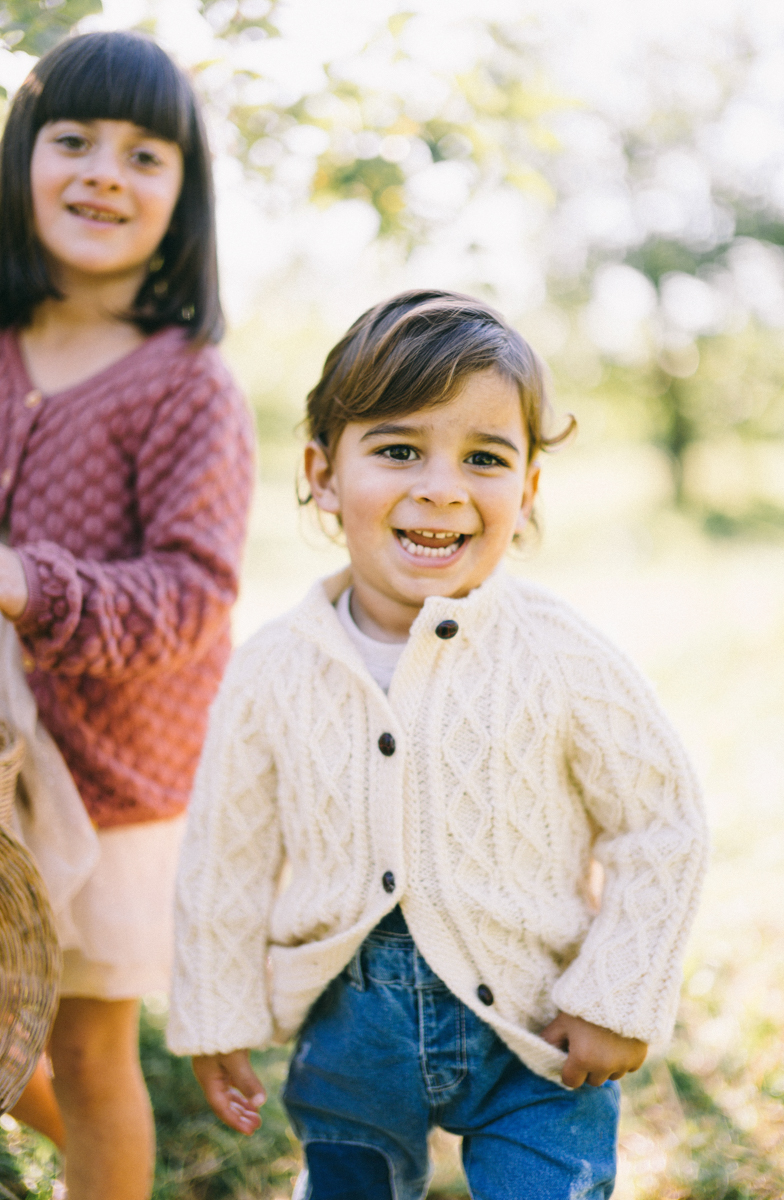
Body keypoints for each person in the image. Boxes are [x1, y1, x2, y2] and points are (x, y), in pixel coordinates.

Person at [168, 290, 707, 1200]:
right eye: (399, 449)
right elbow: (225, 854)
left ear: (527, 489)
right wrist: (215, 1013)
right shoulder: (273, 670)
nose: (442, 487)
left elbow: (663, 824)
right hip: (348, 1033)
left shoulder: (559, 653)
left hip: (538, 1039)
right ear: (324, 473)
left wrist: (616, 994)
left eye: (485, 458)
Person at [0, 31, 254, 1200]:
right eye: (74, 140)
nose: (106, 169)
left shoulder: (183, 381)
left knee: (90, 1049)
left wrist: (30, 585)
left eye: (145, 153)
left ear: (183, 197)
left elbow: (196, 595)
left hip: (111, 788)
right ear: (20, 161)